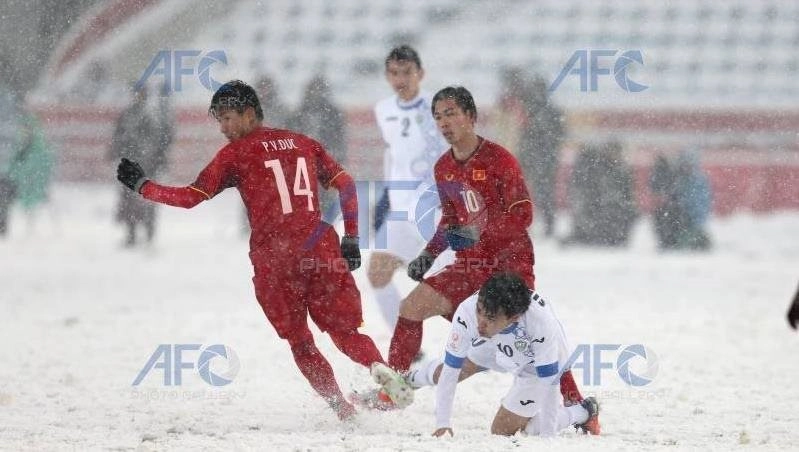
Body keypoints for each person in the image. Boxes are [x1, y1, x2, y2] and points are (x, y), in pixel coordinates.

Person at [114, 80, 409, 420]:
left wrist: (143, 186)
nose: (223, 129)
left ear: (250, 113)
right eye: (219, 121)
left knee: (301, 343)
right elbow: (345, 183)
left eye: (227, 119)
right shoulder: (303, 142)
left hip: (276, 256)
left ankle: (343, 410)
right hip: (320, 247)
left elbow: (190, 198)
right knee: (346, 332)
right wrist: (352, 238)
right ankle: (380, 369)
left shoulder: (235, 154)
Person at [369, 86, 584, 409]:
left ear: (471, 117)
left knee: (532, 339)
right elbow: (450, 221)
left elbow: (523, 215)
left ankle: (576, 403)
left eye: (451, 113)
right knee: (410, 308)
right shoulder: (444, 167)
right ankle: (393, 392)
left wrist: (478, 230)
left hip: (509, 266)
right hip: (470, 265)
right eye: (438, 116)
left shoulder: (500, 159)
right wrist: (428, 254)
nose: (444, 122)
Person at [406, 272, 599, 437]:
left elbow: (550, 383)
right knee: (450, 368)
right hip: (495, 340)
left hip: (533, 359)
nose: (480, 322)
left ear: (514, 317)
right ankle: (408, 380)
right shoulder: (468, 311)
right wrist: (442, 423)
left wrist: (548, 438)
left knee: (502, 430)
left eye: (489, 318)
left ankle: (583, 411)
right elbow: (451, 369)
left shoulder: (541, 324)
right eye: (479, 311)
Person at [369, 45, 450, 336]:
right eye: (394, 73)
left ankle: (492, 338)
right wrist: (387, 199)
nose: (400, 79)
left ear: (421, 73)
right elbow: (394, 154)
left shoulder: (438, 108)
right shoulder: (383, 109)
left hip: (433, 209)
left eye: (407, 72)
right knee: (377, 273)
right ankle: (406, 351)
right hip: (402, 210)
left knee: (455, 286)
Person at [108, 84, 167, 247]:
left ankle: (149, 233)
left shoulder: (151, 115)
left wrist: (153, 159)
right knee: (129, 201)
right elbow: (119, 136)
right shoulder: (128, 114)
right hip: (131, 165)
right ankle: (131, 234)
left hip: (147, 165)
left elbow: (159, 141)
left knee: (147, 200)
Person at [289, 74, 347, 219]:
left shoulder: (333, 115)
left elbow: (339, 140)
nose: (316, 94)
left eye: (319, 90)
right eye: (314, 90)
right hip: (303, 166)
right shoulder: (298, 114)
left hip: (322, 164)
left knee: (324, 201)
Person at [518, 74, 565, 238]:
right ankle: (541, 225)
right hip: (540, 157)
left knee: (540, 192)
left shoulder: (536, 111)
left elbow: (558, 135)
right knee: (539, 192)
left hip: (540, 157)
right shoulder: (533, 111)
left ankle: (544, 225)